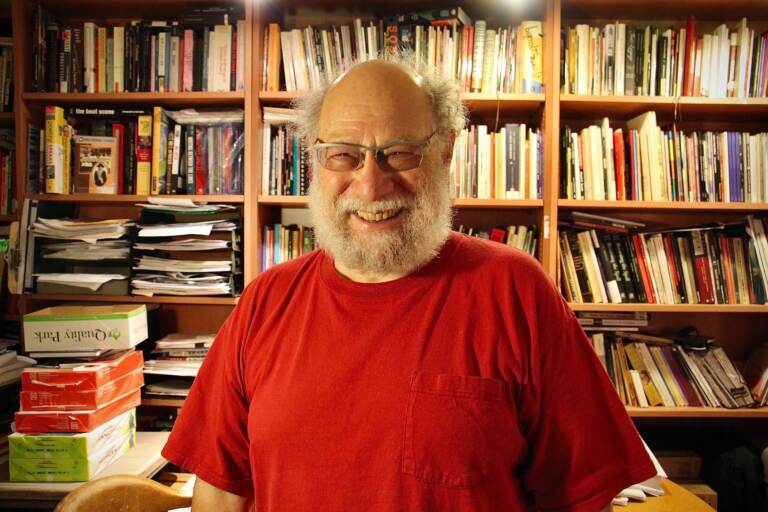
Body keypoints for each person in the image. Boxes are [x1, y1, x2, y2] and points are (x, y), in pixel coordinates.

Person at [162, 56, 657, 512]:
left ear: (444, 152)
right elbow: (222, 495)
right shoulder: (265, 301)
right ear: (317, 160)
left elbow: (582, 496)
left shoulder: (516, 291)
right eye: (344, 155)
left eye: (399, 153)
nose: (371, 186)